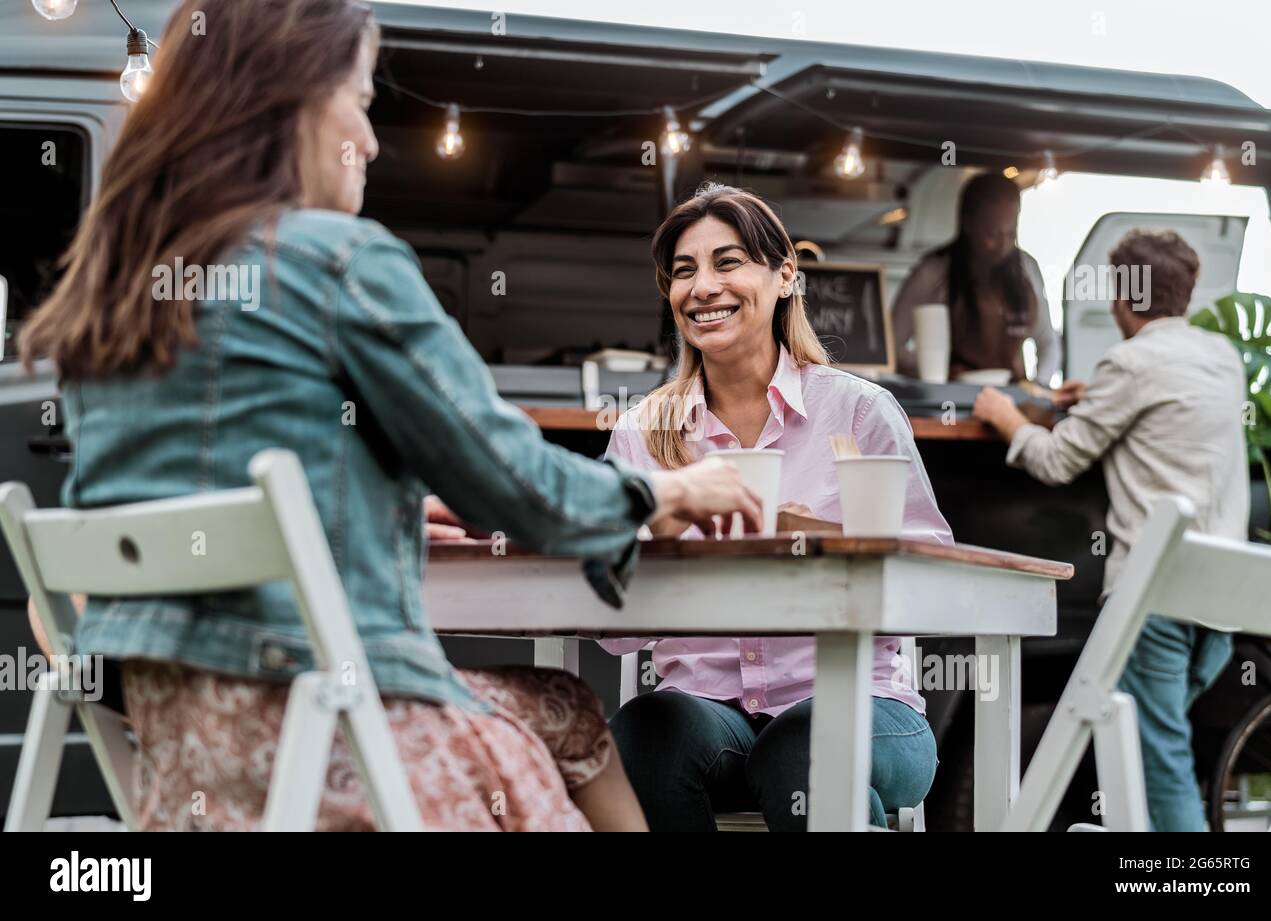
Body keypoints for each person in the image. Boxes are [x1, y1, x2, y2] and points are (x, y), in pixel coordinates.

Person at [18, 0, 763, 832]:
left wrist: (390, 511)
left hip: (187, 758)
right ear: (293, 97)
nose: (371, 141)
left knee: (568, 706)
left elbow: (231, 481)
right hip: (335, 737)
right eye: (363, 102)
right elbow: (513, 479)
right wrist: (663, 492)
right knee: (555, 724)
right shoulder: (340, 260)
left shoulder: (111, 302)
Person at [601, 183, 951, 831]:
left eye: (728, 262)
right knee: (646, 733)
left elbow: (935, 588)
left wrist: (818, 538)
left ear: (786, 273)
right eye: (684, 271)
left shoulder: (859, 412)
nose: (702, 286)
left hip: (866, 706)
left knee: (804, 747)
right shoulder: (643, 430)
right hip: (711, 712)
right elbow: (613, 629)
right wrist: (662, 533)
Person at [971, 228, 1247, 831]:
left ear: (1123, 299)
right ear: (1187, 294)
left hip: (1157, 597)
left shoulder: (1127, 363)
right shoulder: (1221, 357)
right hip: (1222, 605)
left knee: (1160, 760)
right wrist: (1097, 398)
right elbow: (1168, 413)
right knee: (1158, 745)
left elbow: (1056, 461)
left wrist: (1005, 416)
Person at [892, 172, 1060, 385]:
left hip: (1011, 400)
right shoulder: (934, 270)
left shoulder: (1027, 269)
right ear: (968, 224)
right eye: (992, 234)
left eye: (1010, 234)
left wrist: (1038, 387)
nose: (1002, 245)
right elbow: (892, 347)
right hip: (952, 400)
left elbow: (1048, 344)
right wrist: (935, 371)